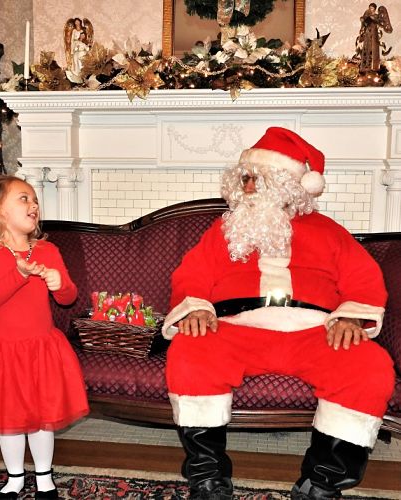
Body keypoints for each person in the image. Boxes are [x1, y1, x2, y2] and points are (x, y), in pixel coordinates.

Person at [162, 127, 395, 500]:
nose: (248, 185)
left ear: (289, 184)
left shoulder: (329, 232)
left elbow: (363, 279)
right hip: (237, 329)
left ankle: (321, 483)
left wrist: (351, 317)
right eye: (245, 178)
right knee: (190, 353)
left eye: (258, 178)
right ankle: (208, 478)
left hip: (314, 331)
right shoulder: (225, 230)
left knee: (369, 367)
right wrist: (196, 309)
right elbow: (192, 275)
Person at [0, 175, 89, 499]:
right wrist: (19, 273)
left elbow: (69, 298)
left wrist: (61, 283)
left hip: (41, 347)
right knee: (8, 418)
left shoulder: (48, 250)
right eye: (23, 199)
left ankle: (44, 477)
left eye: (34, 199)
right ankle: (15, 477)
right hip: (0, 351)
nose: (34, 204)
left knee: (43, 418)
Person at [355, 3, 392, 72]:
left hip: (374, 33)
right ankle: (364, 67)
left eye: (372, 8)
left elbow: (380, 23)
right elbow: (364, 24)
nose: (370, 9)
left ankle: (374, 66)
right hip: (367, 34)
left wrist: (373, 19)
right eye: (369, 8)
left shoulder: (376, 16)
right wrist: (363, 23)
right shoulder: (366, 16)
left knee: (374, 48)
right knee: (366, 48)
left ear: (374, 9)